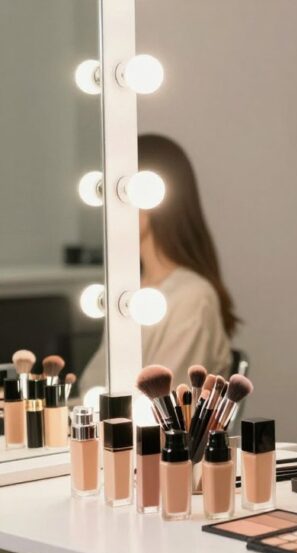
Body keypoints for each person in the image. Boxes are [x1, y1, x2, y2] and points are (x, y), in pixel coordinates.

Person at [80, 135, 237, 391]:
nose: (109, 205)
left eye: (119, 191)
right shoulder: (129, 295)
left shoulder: (192, 298)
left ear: (149, 196)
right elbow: (95, 386)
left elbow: (161, 406)